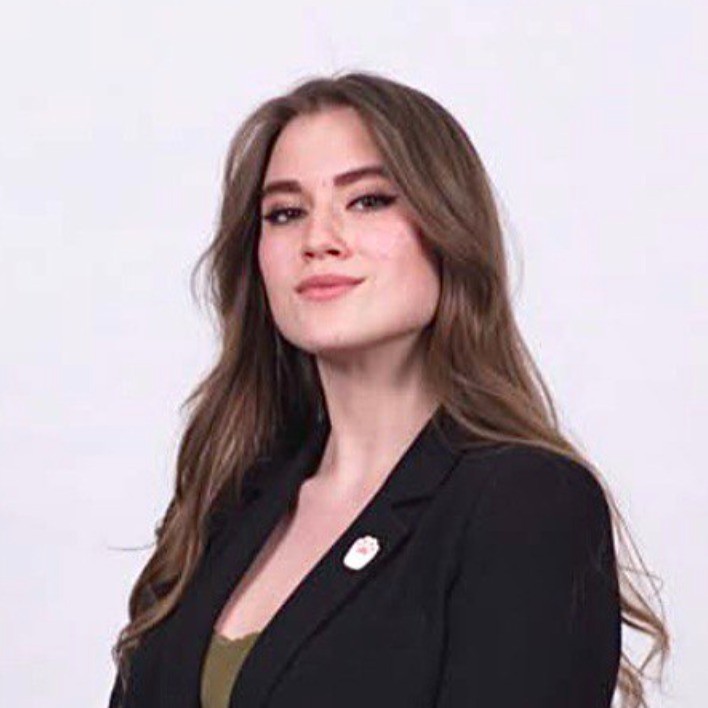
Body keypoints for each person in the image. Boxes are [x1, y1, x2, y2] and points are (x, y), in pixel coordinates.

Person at [108, 71, 668, 708]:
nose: (319, 240)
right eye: (285, 213)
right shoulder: (226, 502)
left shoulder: (525, 504)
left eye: (368, 201)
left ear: (448, 229)